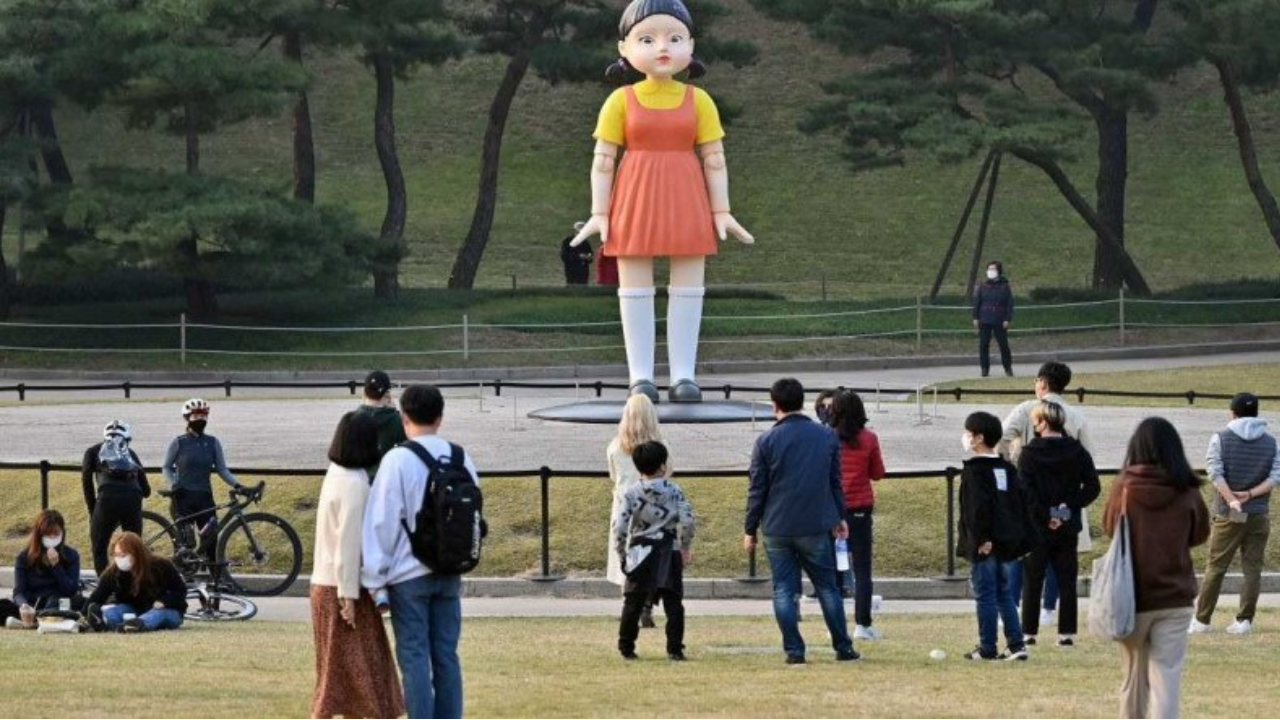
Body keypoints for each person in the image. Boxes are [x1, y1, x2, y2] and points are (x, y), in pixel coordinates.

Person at [569, 0, 754, 404]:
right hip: (634, 194)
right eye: (647, 39)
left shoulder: (699, 100)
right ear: (624, 49)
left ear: (691, 43)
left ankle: (684, 375)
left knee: (689, 284)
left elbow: (715, 158)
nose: (662, 48)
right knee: (635, 286)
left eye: (674, 37)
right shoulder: (620, 101)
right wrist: (600, 213)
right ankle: (641, 377)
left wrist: (720, 210)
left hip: (687, 196)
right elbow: (602, 160)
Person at [363, 384, 479, 719]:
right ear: (440, 416)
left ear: (403, 418)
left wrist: (375, 579)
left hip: (407, 575)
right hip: (450, 569)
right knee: (446, 655)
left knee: (414, 657)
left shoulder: (398, 460)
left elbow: (381, 522)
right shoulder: (461, 458)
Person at [744, 377, 858, 664]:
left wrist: (750, 529)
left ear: (774, 405)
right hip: (815, 524)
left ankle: (794, 650)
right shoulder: (825, 436)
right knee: (827, 587)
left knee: (783, 589)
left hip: (777, 525)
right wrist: (839, 516)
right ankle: (842, 647)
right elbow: (835, 481)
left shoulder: (766, 441)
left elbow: (757, 489)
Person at [1102, 417, 1210, 719]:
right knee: (1167, 678)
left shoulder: (1124, 487)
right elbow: (1200, 533)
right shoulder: (1187, 488)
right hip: (1175, 597)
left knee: (1133, 680)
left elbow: (1110, 528)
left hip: (1130, 597)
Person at [310, 411, 405, 719]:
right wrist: (348, 596)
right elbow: (348, 545)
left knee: (335, 671)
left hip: (325, 583)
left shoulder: (335, 474)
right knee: (363, 672)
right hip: (343, 586)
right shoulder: (355, 484)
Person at [1001, 360, 1096, 614]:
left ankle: (1013, 607)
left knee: (1021, 552)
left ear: (1042, 383)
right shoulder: (1076, 416)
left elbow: (1000, 437)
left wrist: (1013, 456)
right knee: (1061, 551)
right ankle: (1049, 609)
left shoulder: (1027, 409)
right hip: (1065, 499)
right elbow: (1088, 458)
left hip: (1031, 497)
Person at [1190, 392, 1279, 636]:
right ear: (1257, 412)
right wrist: (1250, 495)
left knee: (1216, 566)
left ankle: (1202, 620)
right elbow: (1275, 477)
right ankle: (1244, 621)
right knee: (1252, 568)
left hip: (1229, 514)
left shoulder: (1221, 438)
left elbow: (1215, 473)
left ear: (1233, 412)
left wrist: (1232, 500)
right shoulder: (1272, 442)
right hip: (1258, 513)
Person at [1016, 401, 1100, 648]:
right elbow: (1093, 486)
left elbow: (1025, 491)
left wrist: (1045, 515)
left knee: (1032, 578)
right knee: (1066, 579)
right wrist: (1064, 510)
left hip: (1036, 526)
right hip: (1067, 523)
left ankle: (1028, 632)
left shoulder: (1029, 454)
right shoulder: (1076, 451)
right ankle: (1066, 633)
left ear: (1042, 423)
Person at [957, 411, 1031, 661]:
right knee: (1003, 593)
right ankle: (1016, 643)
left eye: (968, 434)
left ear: (978, 438)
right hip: (1005, 542)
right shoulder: (1006, 468)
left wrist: (981, 538)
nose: (965, 438)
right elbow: (1017, 504)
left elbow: (977, 509)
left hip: (985, 542)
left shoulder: (974, 472)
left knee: (986, 594)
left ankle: (988, 646)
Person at [614, 441, 696, 661]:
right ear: (662, 465)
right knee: (673, 602)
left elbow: (620, 526)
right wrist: (685, 545)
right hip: (668, 549)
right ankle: (675, 649)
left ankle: (626, 646)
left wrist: (622, 552)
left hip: (639, 549)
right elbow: (687, 520)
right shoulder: (674, 490)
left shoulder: (631, 492)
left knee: (633, 601)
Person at [831, 390, 886, 640]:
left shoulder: (827, 438)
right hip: (860, 510)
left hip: (832, 509)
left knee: (833, 570)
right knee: (862, 569)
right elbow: (877, 473)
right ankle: (863, 624)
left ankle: (835, 623)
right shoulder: (869, 438)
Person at [606, 393, 665, 628]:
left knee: (626, 555)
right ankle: (647, 606)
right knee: (652, 557)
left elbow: (613, 476)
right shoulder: (662, 445)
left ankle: (629, 605)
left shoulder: (615, 447)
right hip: (654, 508)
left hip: (624, 507)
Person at [162, 398, 243, 561]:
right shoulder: (178, 442)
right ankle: (184, 578)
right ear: (187, 418)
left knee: (211, 541)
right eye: (196, 416)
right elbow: (166, 467)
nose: (200, 419)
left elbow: (222, 469)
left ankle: (215, 579)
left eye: (203, 416)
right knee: (186, 544)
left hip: (204, 497)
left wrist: (238, 485)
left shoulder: (212, 442)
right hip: (183, 498)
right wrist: (174, 483)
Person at [81, 420, 151, 574]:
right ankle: (133, 586)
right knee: (133, 547)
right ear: (127, 439)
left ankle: (106, 587)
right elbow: (146, 490)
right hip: (133, 498)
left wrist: (93, 510)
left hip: (107, 499)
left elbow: (86, 482)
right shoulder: (130, 454)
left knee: (99, 546)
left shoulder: (92, 451)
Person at [85, 531, 187, 632]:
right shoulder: (113, 573)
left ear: (136, 553)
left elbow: (180, 590)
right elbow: (98, 595)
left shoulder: (161, 565)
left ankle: (139, 624)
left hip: (166, 610)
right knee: (115, 611)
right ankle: (104, 622)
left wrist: (165, 601)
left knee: (158, 614)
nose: (119, 559)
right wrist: (84, 613)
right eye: (116, 555)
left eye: (123, 555)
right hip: (134, 610)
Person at [2, 510, 83, 628]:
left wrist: (56, 566)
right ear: (39, 534)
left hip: (57, 603)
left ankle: (33, 622)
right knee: (3, 605)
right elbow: (19, 591)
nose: (52, 537)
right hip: (32, 604)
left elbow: (70, 590)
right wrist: (24, 605)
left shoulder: (71, 555)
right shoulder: (24, 557)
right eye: (48, 534)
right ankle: (36, 620)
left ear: (62, 533)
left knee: (69, 603)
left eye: (56, 533)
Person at [355, 370, 407, 477]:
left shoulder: (352, 418)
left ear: (364, 392)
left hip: (359, 478)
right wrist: (394, 412)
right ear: (388, 394)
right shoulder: (396, 420)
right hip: (387, 478)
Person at [972, 260, 1014, 377]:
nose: (990, 272)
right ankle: (984, 369)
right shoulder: (983, 285)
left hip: (999, 320)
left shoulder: (1004, 286)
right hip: (984, 319)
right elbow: (977, 302)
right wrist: (975, 316)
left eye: (993, 269)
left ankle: (1008, 368)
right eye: (989, 269)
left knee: (1003, 345)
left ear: (999, 271)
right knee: (983, 345)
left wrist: (1007, 319)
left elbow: (1009, 304)